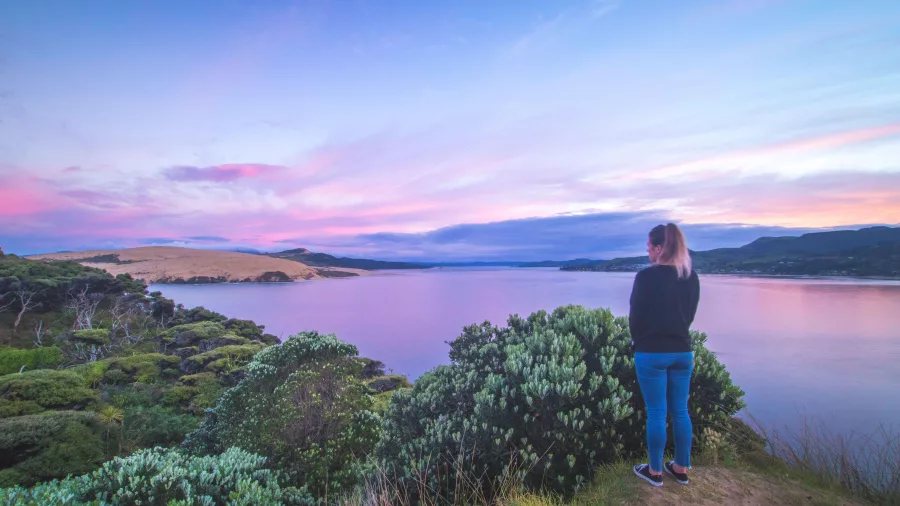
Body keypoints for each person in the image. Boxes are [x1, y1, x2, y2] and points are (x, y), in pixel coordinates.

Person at [629, 223, 700, 487]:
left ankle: (655, 471)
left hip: (652, 352)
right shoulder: (690, 276)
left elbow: (635, 318)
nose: (647, 250)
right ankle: (681, 468)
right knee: (681, 410)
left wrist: (638, 340)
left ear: (659, 248)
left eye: (649, 245)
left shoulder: (646, 277)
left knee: (657, 412)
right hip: (683, 350)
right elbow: (690, 315)